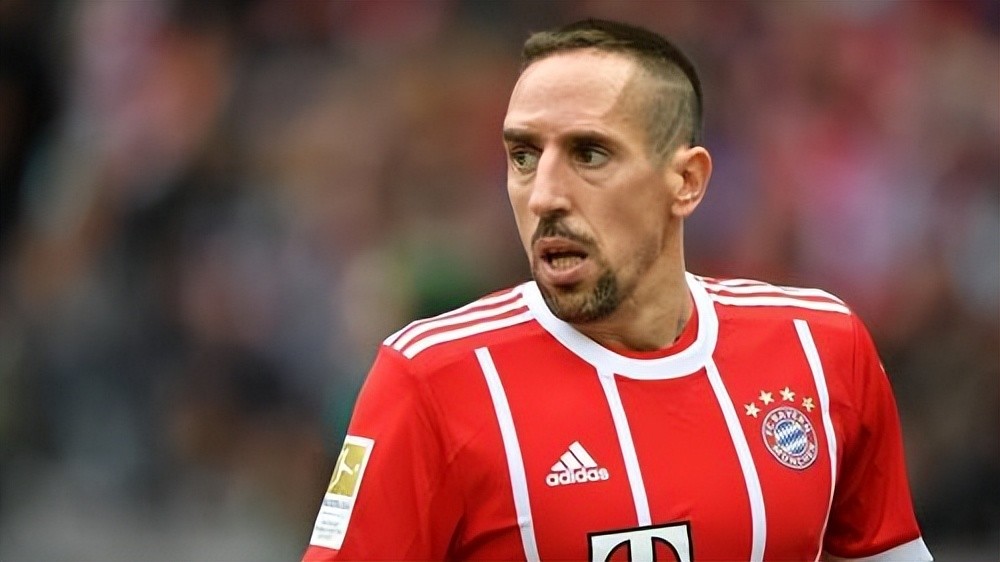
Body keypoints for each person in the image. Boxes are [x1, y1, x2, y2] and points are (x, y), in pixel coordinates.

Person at [302, 19, 932, 562]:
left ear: (686, 181)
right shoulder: (432, 379)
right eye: (523, 156)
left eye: (590, 154)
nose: (545, 194)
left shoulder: (819, 350)